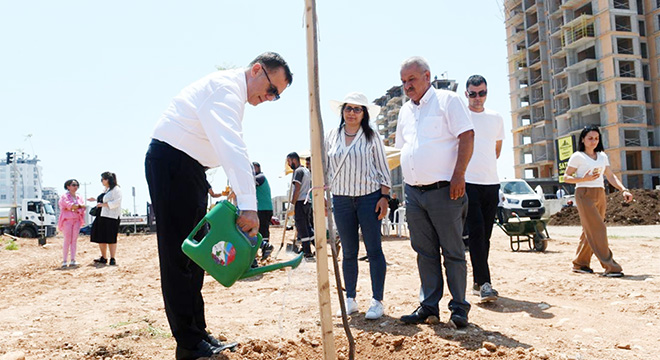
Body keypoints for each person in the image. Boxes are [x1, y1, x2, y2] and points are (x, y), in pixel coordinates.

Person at [144, 52, 292, 360]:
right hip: (173, 164)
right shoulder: (224, 89)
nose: (270, 98)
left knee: (196, 256)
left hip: (190, 170)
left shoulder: (233, 96)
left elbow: (229, 148)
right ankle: (187, 343)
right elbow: (232, 147)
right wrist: (249, 207)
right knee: (178, 256)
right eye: (272, 89)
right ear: (256, 70)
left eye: (276, 96)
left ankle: (197, 332)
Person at [395, 57, 474, 328]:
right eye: (403, 81)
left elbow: (467, 136)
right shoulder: (405, 111)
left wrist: (459, 175)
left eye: (412, 80)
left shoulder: (448, 101)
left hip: (445, 191)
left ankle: (459, 308)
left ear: (427, 76)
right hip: (414, 193)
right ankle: (429, 306)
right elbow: (401, 148)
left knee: (452, 251)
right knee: (424, 251)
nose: (407, 86)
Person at [326, 92, 392, 320]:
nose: (352, 113)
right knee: (349, 252)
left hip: (369, 198)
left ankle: (377, 300)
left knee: (374, 250)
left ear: (364, 114)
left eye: (357, 109)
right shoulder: (331, 136)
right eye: (348, 108)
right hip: (341, 199)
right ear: (342, 111)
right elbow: (326, 169)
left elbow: (383, 168)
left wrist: (384, 197)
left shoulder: (372, 137)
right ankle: (350, 299)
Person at [563, 125, 632, 277]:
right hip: (583, 193)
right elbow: (566, 177)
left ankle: (580, 264)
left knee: (590, 229)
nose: (593, 141)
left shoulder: (602, 156)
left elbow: (610, 175)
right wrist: (583, 179)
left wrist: (623, 189)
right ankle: (611, 267)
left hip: (600, 193)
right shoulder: (577, 156)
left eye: (596, 138)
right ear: (583, 139)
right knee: (598, 229)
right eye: (590, 138)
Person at [463, 75, 505, 303]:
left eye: (482, 93)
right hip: (468, 182)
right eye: (473, 93)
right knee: (477, 231)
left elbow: (496, 150)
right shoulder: (462, 116)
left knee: (485, 236)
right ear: (466, 94)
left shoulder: (496, 118)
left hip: (491, 183)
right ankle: (485, 283)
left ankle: (478, 281)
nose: (478, 98)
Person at [88, 172, 122, 266]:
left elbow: (116, 202)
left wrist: (103, 205)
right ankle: (103, 257)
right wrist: (95, 199)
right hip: (101, 216)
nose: (102, 181)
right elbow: (104, 199)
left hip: (111, 217)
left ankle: (112, 258)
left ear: (108, 180)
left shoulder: (116, 189)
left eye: (103, 179)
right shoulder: (106, 189)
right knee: (100, 237)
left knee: (111, 237)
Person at [286, 152, 315, 261]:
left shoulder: (298, 171)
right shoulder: (306, 171)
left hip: (300, 202)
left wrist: (292, 204)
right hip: (307, 202)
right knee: (307, 227)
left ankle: (307, 252)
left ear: (294, 160)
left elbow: (297, 189)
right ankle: (316, 246)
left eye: (289, 161)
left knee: (302, 228)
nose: (289, 164)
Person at [58, 179, 85, 268]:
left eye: (76, 185)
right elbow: (69, 205)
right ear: (68, 186)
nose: (75, 186)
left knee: (74, 240)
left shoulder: (79, 197)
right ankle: (65, 260)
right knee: (67, 240)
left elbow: (82, 207)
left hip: (76, 220)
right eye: (73, 185)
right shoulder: (64, 196)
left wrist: (75, 207)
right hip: (67, 220)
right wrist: (75, 207)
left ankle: (73, 259)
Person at [253, 162, 274, 260]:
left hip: (263, 208)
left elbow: (251, 183)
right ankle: (264, 250)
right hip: (264, 208)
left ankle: (266, 248)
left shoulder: (260, 177)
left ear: (257, 168)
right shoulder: (260, 177)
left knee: (263, 230)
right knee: (262, 230)